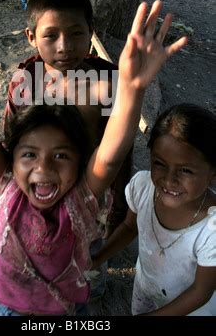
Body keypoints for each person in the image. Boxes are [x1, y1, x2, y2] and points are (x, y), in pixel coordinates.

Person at [0, 0, 187, 315]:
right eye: (30, 154)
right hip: (7, 306)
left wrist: (133, 88)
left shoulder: (82, 199)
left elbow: (111, 155)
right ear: (11, 158)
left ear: (80, 163)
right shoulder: (9, 184)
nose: (43, 167)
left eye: (60, 155)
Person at [4, 0, 131, 233]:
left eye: (76, 33)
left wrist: (117, 210)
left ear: (91, 31)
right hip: (41, 191)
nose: (65, 47)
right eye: (51, 36)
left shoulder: (108, 84)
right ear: (31, 37)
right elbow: (11, 144)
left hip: (91, 197)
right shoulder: (25, 84)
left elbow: (121, 154)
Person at [92, 103, 216, 316]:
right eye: (159, 163)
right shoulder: (142, 187)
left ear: (212, 173)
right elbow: (129, 227)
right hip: (145, 287)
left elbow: (200, 292)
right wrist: (97, 259)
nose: (169, 179)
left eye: (185, 170)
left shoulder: (211, 229)